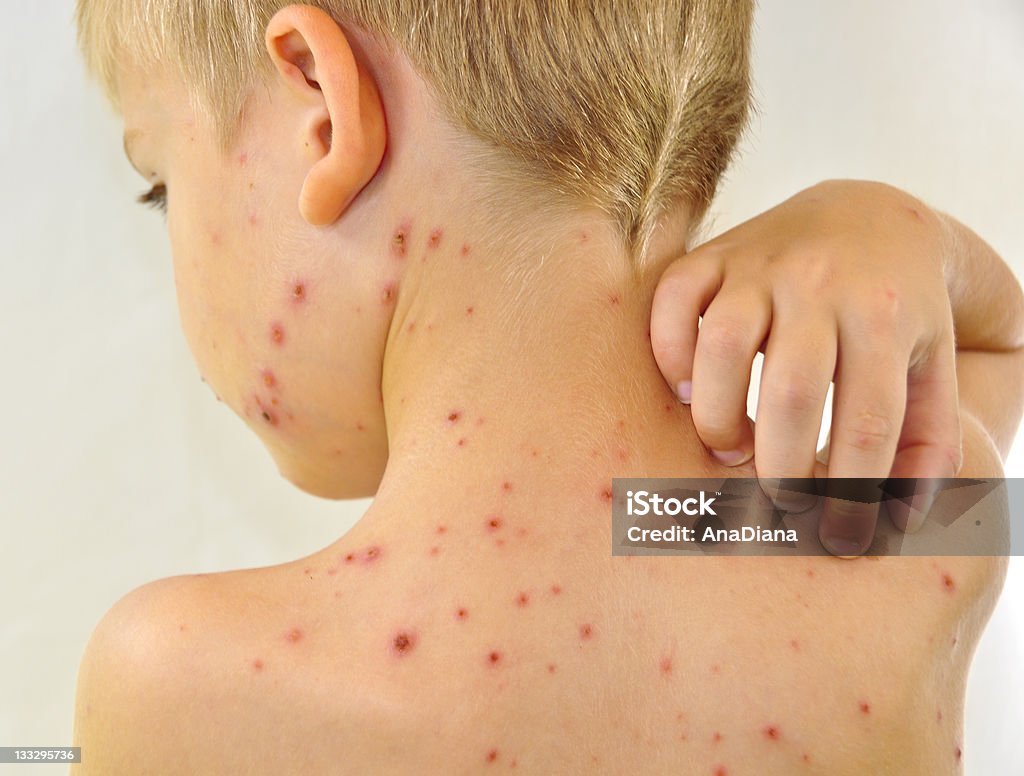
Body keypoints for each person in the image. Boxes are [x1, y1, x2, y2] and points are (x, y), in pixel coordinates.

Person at [71, 1, 1023, 773]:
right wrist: (894, 229)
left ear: (321, 109)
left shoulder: (179, 684)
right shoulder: (887, 541)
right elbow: (1002, 352)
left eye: (161, 182)